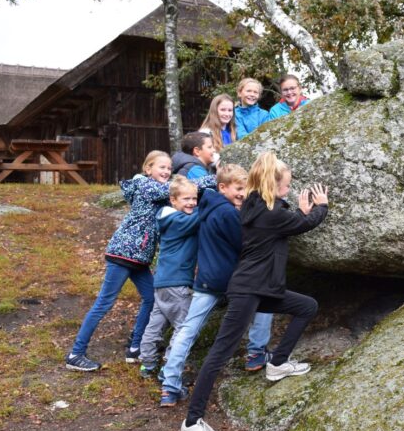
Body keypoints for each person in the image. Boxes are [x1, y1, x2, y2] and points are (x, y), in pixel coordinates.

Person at [181, 152, 328, 431]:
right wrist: (320, 207)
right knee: (219, 354)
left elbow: (283, 217)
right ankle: (191, 423)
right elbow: (302, 224)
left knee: (307, 306)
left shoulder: (256, 205)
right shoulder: (270, 213)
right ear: (274, 185)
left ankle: (277, 364)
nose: (289, 188)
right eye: (286, 184)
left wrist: (296, 211)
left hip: (260, 289)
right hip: (249, 290)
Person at [65, 151, 215, 372]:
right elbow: (178, 189)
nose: (166, 172)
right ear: (148, 169)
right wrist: (217, 178)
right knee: (104, 302)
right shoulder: (147, 187)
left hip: (139, 259)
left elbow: (181, 195)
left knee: (151, 299)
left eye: (168, 168)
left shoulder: (160, 192)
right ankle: (76, 354)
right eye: (161, 167)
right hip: (123, 254)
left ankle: (136, 346)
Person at [159, 164, 274, 407]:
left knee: (188, 329)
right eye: (238, 188)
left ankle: (169, 385)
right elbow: (244, 245)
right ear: (222, 187)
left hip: (206, 279)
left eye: (246, 189)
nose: (243, 193)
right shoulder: (229, 214)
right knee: (265, 301)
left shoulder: (205, 207)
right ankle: (255, 353)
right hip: (232, 279)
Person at [138, 176, 200, 379]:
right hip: (177, 283)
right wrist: (210, 204)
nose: (192, 203)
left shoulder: (168, 218)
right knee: (183, 326)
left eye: (195, 198)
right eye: (186, 199)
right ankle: (169, 367)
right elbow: (197, 219)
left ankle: (147, 363)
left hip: (162, 283)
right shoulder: (177, 219)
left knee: (156, 323)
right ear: (173, 200)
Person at [199, 94, 237, 160]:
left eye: (230, 110)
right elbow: (207, 158)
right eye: (223, 110)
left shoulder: (232, 130)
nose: (227, 114)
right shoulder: (206, 132)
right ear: (214, 111)